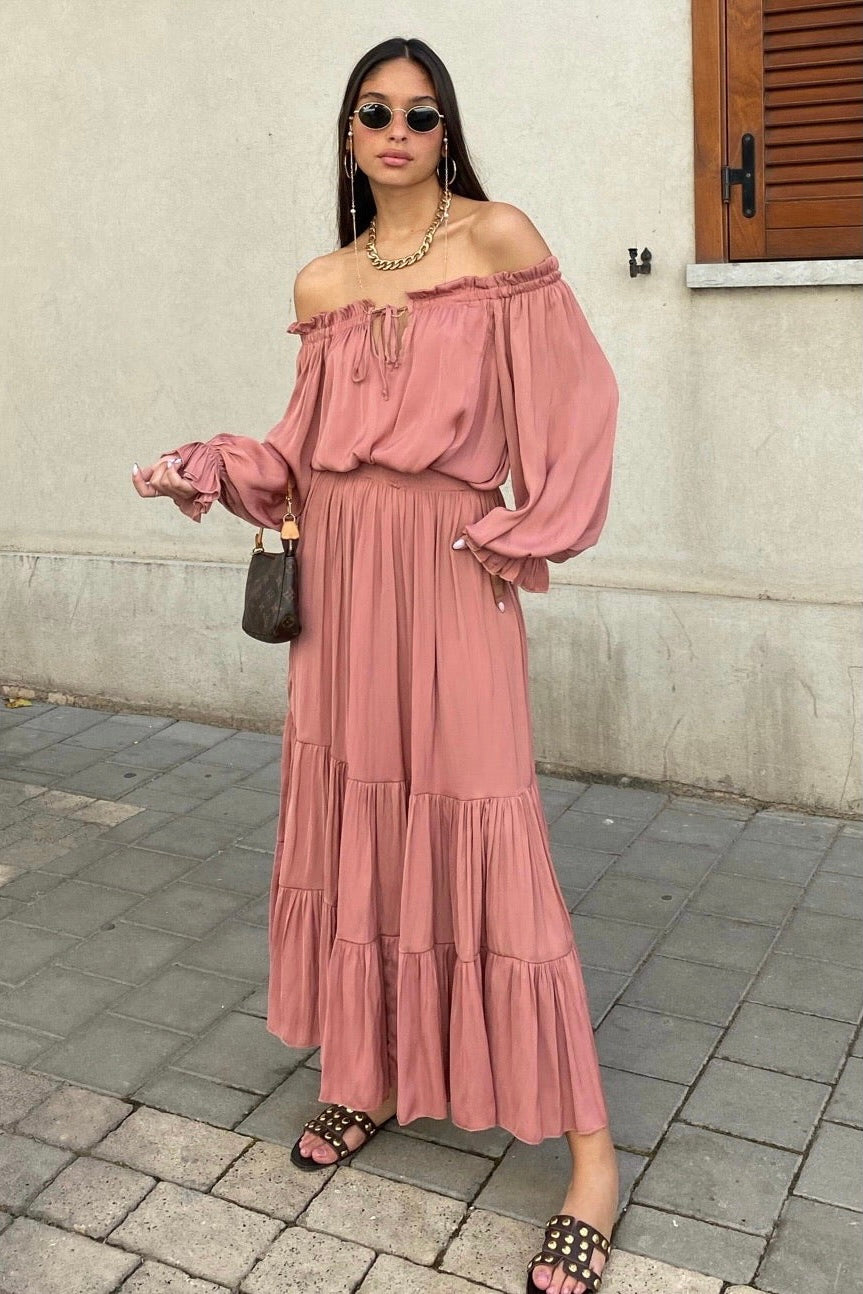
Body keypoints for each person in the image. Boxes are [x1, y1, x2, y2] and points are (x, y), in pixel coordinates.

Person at [133, 36, 620, 1294]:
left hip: (447, 576)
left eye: (419, 113)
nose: (396, 131)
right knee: (362, 827)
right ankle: (368, 1072)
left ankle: (590, 1163)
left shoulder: (498, 241)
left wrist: (518, 532)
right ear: (348, 137)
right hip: (343, 589)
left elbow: (577, 406)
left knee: (490, 836)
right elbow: (298, 457)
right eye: (373, 113)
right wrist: (208, 464)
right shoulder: (324, 280)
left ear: (446, 131)